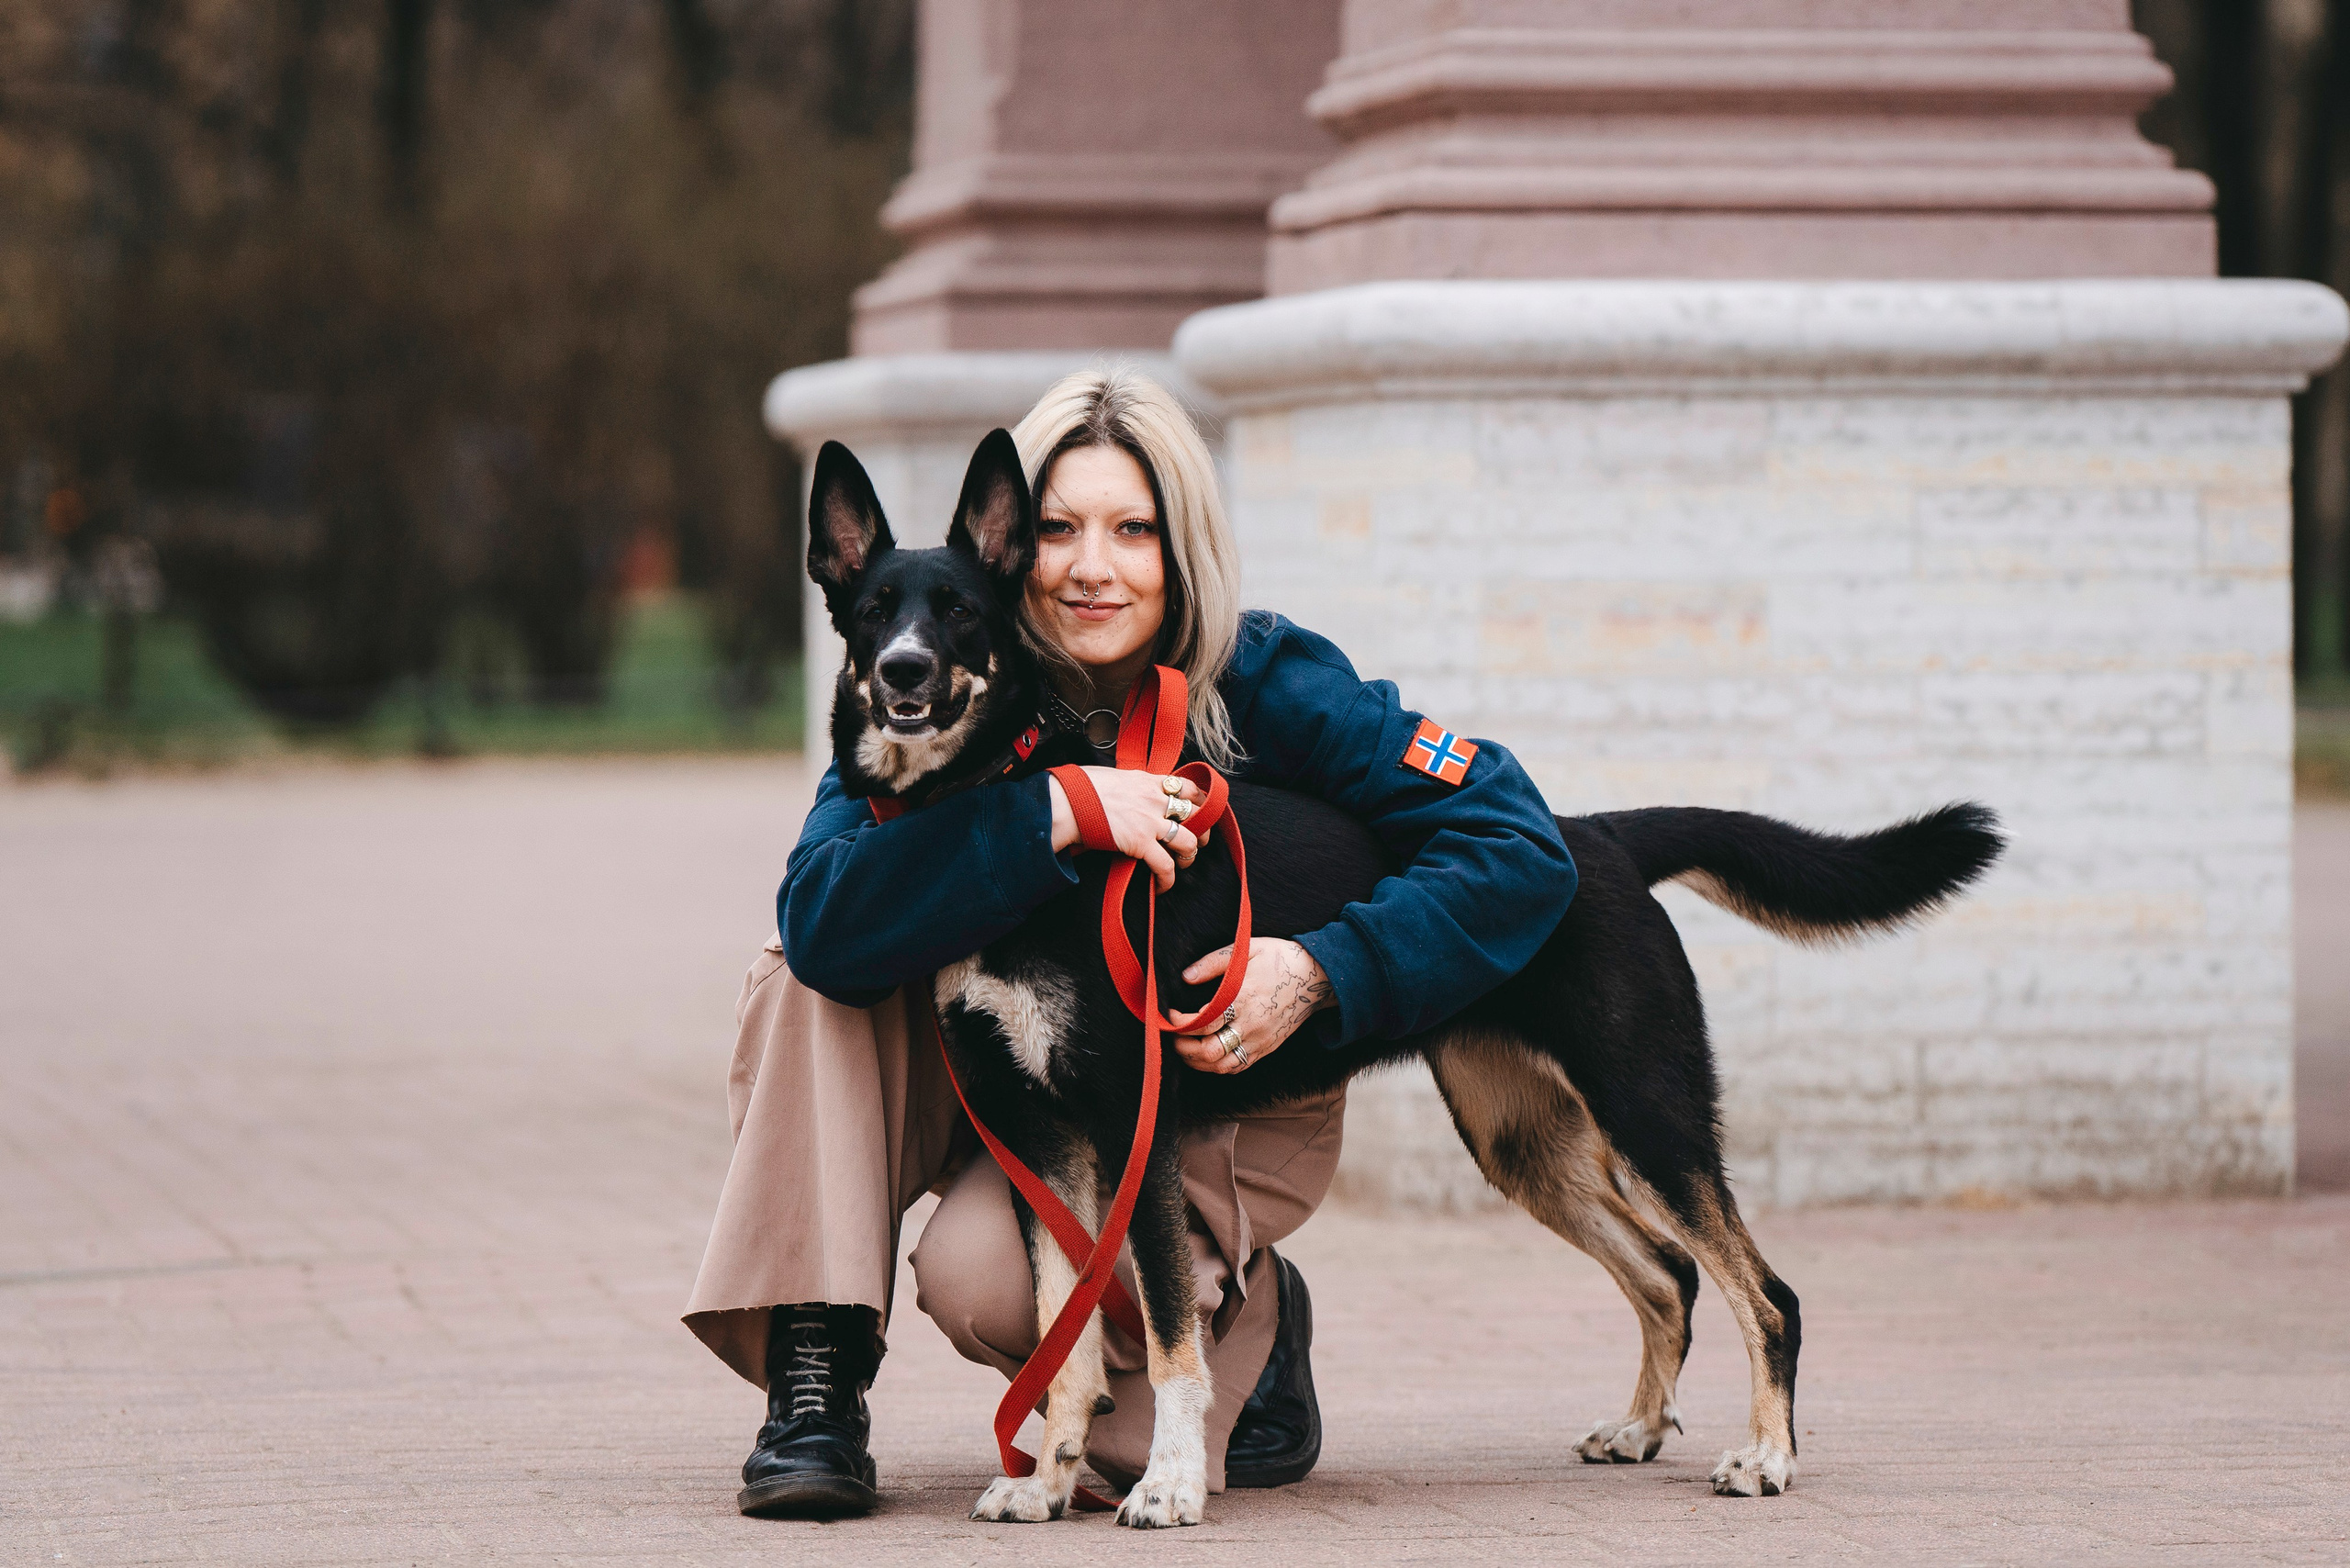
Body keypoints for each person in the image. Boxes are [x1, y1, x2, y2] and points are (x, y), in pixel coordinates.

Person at [684, 367, 1576, 1518]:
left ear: (1182, 543)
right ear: (1009, 544)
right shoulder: (938, 660)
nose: (1091, 566)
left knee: (985, 1287)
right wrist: (1052, 810)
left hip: (1223, 1072)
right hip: (1007, 1060)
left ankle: (1250, 1317)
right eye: (1059, 529)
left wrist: (1324, 968)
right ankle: (817, 1356)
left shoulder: (1266, 677)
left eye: (1133, 530)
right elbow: (823, 914)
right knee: (801, 971)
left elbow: (1518, 840)